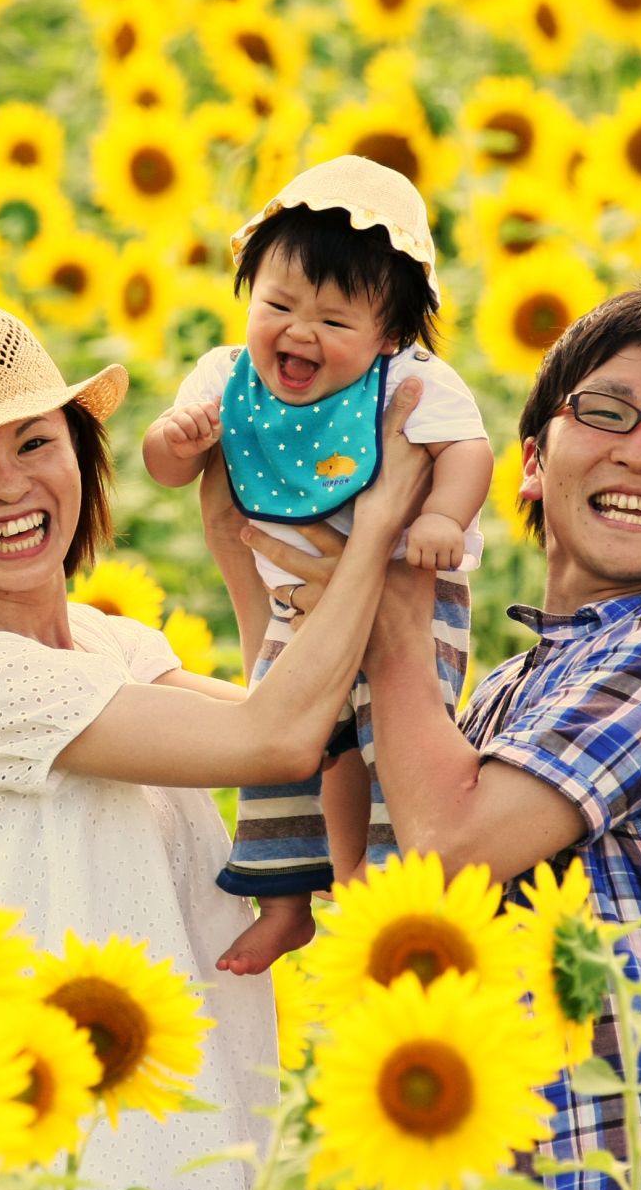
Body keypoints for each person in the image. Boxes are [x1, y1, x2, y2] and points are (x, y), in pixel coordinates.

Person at [0, 285, 429, 1190]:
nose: (9, 486)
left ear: (79, 451)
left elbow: (307, 736)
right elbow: (275, 739)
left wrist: (236, 544)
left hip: (192, 1146)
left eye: (32, 443)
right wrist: (373, 527)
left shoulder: (114, 650)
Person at [221, 286, 641, 1190]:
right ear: (532, 459)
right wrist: (266, 559)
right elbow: (377, 900)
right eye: (607, 413)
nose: (639, 452)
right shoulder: (493, 703)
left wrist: (387, 570)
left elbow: (450, 848)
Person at [140, 156, 494, 976]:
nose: (299, 333)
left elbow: (468, 451)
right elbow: (165, 464)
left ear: (390, 336)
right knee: (275, 743)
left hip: (412, 602)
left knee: (387, 747)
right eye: (279, 305)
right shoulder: (226, 380)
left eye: (335, 322)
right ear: (247, 293)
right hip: (299, 605)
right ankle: (289, 901)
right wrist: (176, 443)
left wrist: (441, 513)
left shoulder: (409, 384)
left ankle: (380, 885)